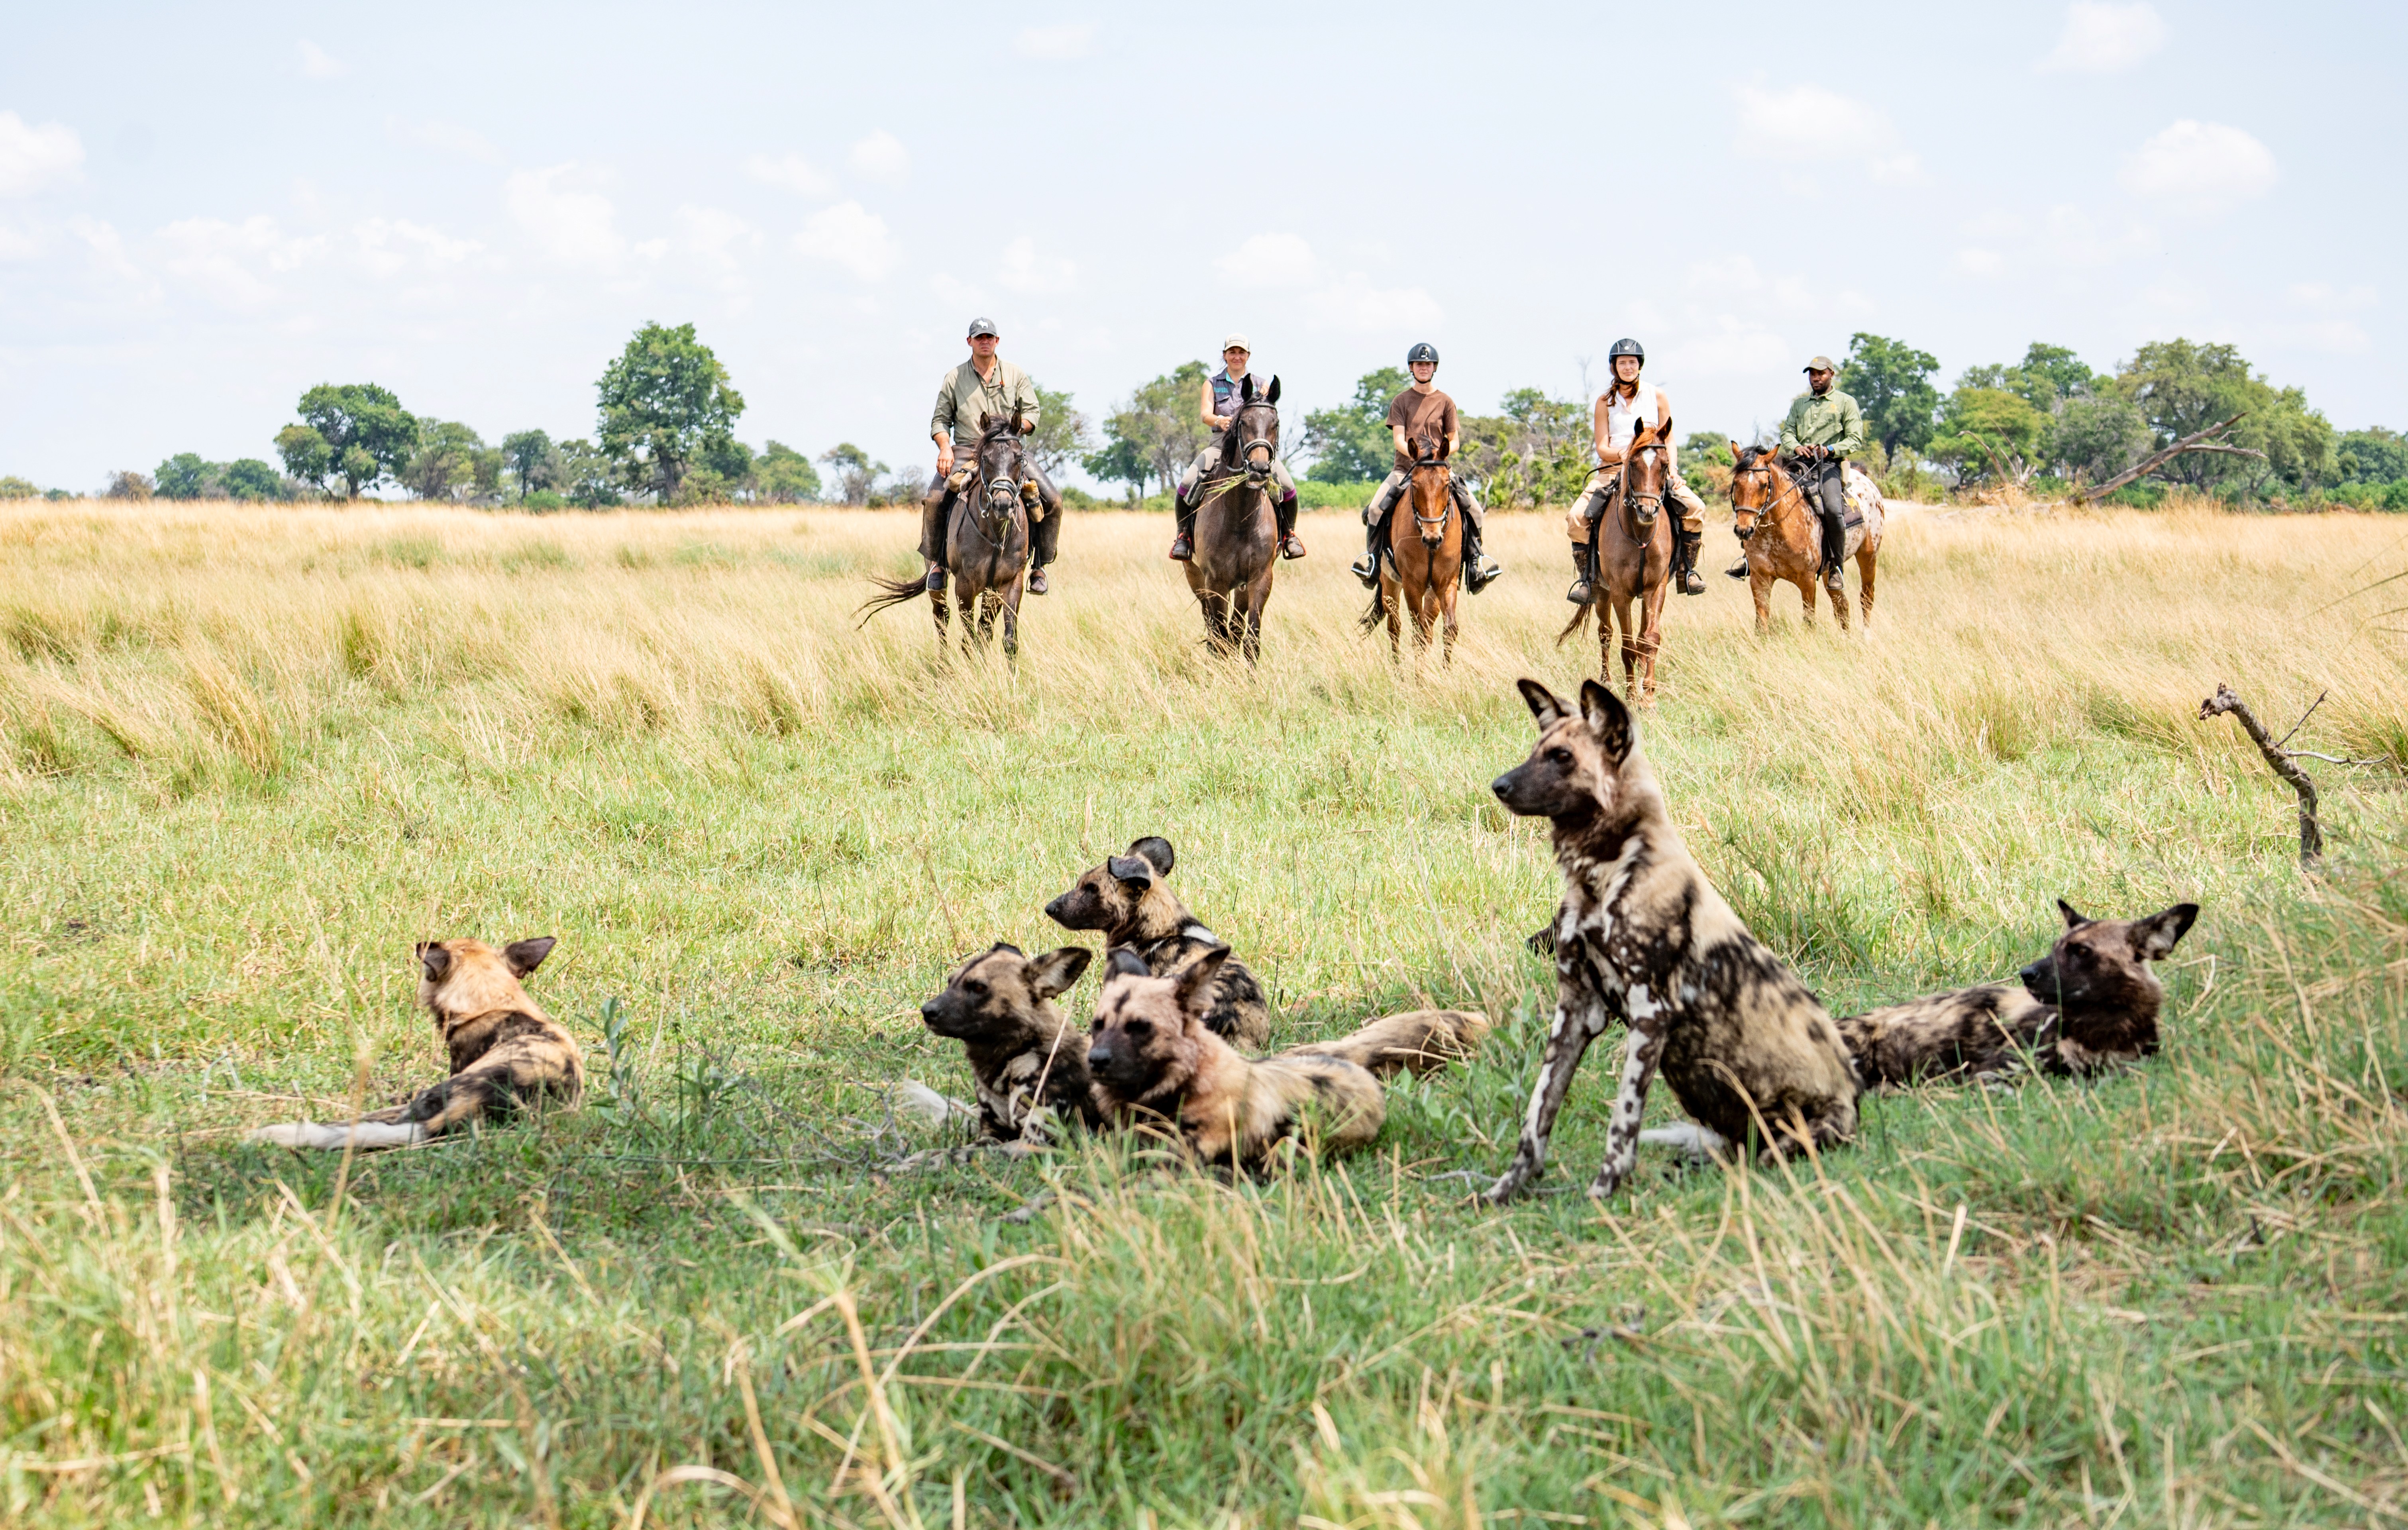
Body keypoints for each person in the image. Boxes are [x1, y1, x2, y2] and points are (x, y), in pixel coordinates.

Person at [924, 317, 1064, 595]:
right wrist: (944, 448)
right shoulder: (954, 378)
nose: (984, 341)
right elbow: (940, 421)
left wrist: (1014, 430)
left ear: (997, 341)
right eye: (979, 337)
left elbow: (1033, 412)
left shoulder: (1015, 374)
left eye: (989, 337)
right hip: (967, 449)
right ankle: (937, 565)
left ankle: (1039, 565)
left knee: (1054, 501)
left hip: (1007, 448)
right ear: (970, 342)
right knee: (934, 499)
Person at [1348, 343, 1503, 593]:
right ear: (1412, 368)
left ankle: (1476, 564)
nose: (1423, 368)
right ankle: (1373, 563)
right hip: (1405, 470)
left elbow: (1455, 441)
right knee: (1376, 509)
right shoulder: (1401, 401)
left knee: (1476, 510)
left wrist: (1437, 455)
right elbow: (1399, 438)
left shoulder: (1446, 402)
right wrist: (1416, 455)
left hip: (1440, 470)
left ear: (1434, 368)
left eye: (1428, 364)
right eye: (1419, 364)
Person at [1563, 338, 1708, 605]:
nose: (1628, 367)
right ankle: (1587, 580)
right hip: (1613, 470)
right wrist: (1624, 455)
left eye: (1632, 362)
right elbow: (1602, 447)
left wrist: (1673, 470)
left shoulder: (1657, 395)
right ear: (1613, 368)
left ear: (1639, 366)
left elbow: (1669, 439)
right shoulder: (1603, 402)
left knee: (1696, 507)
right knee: (1575, 518)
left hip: (1653, 472)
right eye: (1622, 363)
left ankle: (1686, 572)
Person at [1169, 335, 1305, 563]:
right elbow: (1205, 414)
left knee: (1289, 486)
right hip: (1221, 445)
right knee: (1186, 483)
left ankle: (1289, 534)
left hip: (1255, 448)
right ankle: (1183, 536)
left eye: (1241, 352)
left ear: (1248, 356)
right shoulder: (1212, 384)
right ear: (1225, 355)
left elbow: (1266, 413)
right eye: (1232, 352)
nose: (1237, 357)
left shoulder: (1261, 384)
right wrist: (1219, 421)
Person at [1773, 354, 1866, 596]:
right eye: (1812, 374)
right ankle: (1751, 559)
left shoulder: (1846, 402)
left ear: (1831, 375)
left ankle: (1836, 566)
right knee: (1764, 496)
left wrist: (1831, 449)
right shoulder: (1799, 405)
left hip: (1829, 465)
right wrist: (1796, 446)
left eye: (1820, 373)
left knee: (1834, 510)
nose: (1816, 378)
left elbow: (1855, 438)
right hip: (1798, 464)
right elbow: (1787, 434)